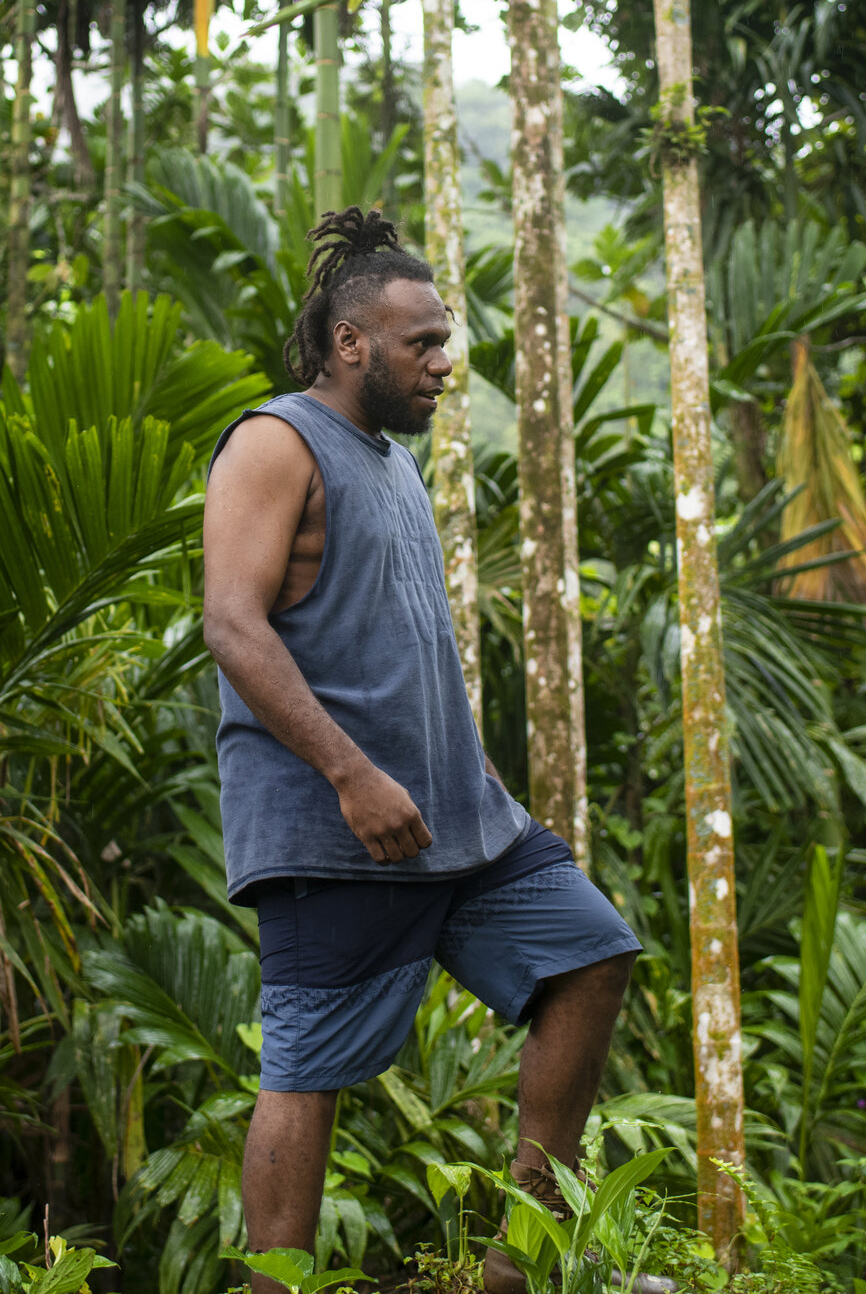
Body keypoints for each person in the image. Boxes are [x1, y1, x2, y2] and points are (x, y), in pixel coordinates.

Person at [201, 208, 642, 1294]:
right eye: (423, 342)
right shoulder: (275, 440)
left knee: (591, 949)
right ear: (351, 343)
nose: (444, 362)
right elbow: (232, 623)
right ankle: (276, 1288)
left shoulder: (391, 463)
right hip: (334, 827)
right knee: (305, 1071)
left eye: (443, 341)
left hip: (459, 822)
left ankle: (518, 1263)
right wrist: (351, 773)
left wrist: (478, 773)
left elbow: (400, 637)